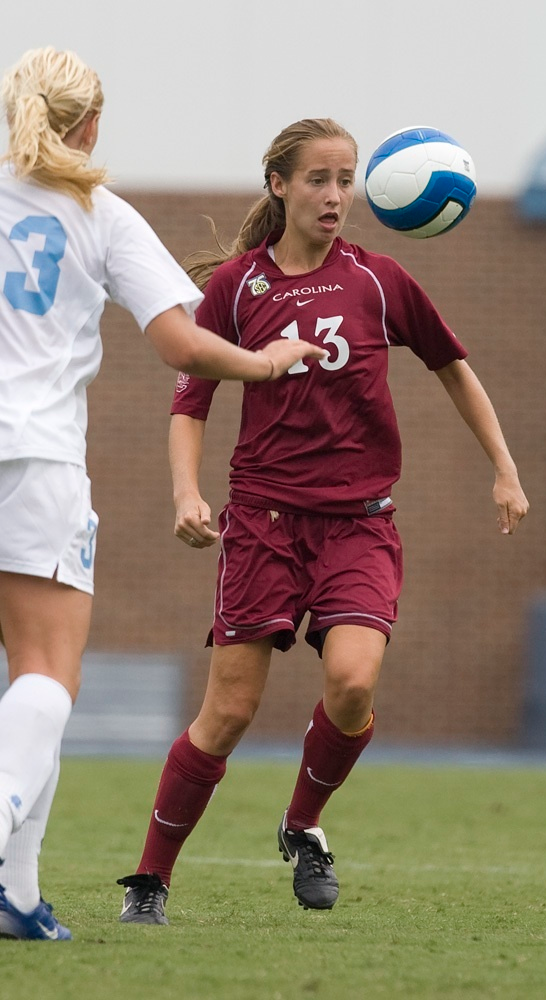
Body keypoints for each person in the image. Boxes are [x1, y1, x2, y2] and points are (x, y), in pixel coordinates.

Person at [117, 117, 529, 924]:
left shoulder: (379, 281)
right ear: (279, 185)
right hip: (264, 525)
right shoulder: (236, 287)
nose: (336, 196)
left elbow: (454, 369)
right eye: (318, 180)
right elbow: (189, 405)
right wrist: (185, 495)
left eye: (345, 180)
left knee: (352, 682)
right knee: (228, 715)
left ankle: (303, 823)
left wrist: (505, 468)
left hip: (359, 525)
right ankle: (151, 880)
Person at [0, 50, 325, 942]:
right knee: (45, 673)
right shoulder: (98, 214)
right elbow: (183, 346)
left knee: (29, 689)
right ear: (92, 124)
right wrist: (262, 361)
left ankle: (19, 899)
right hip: (32, 461)